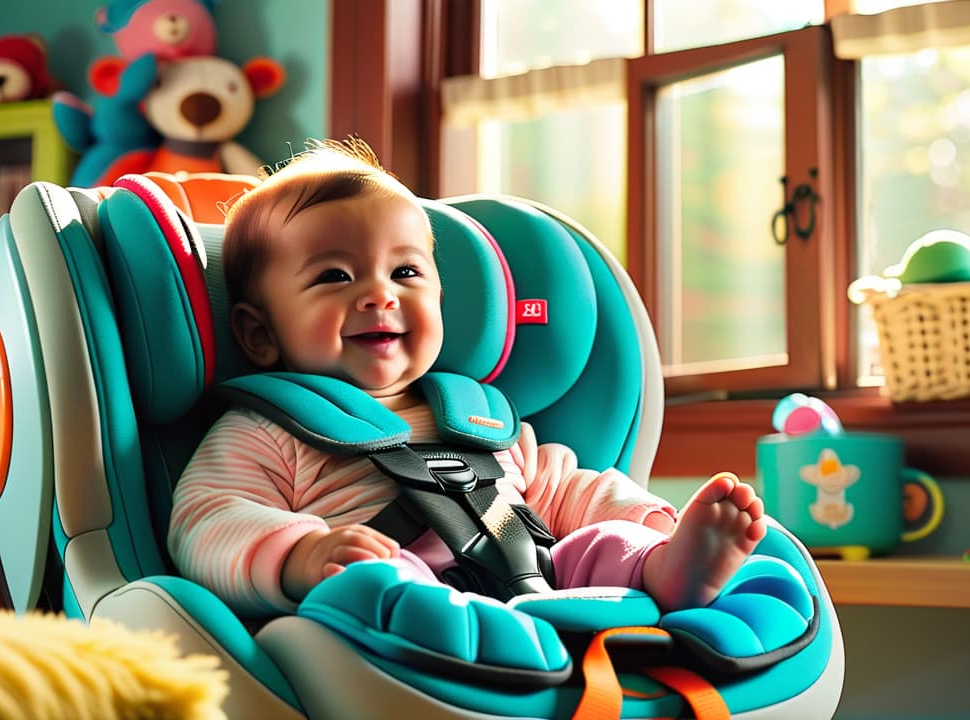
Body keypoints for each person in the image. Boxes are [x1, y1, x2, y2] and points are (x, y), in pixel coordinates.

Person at [167, 137, 766, 619]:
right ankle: (428, 611)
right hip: (394, 600)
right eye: (333, 277)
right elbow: (207, 518)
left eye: (405, 271)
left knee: (594, 547)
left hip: (533, 583)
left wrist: (653, 521)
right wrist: (303, 554)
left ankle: (671, 569)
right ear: (259, 334)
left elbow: (569, 491)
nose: (380, 294)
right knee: (379, 582)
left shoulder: (483, 418)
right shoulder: (265, 432)